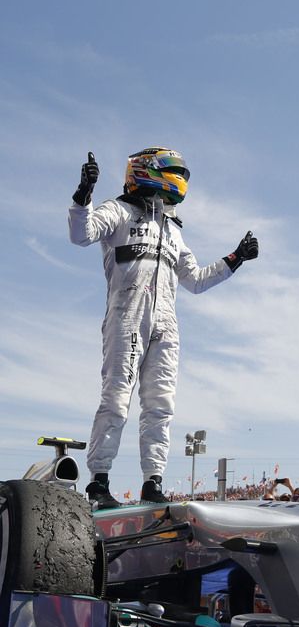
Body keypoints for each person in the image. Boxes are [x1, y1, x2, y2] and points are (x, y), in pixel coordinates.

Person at [68, 148, 259, 509]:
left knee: (161, 406)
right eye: (172, 171)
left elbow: (196, 280)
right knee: (116, 400)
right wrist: (83, 195)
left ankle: (152, 482)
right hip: (127, 315)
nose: (179, 178)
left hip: (167, 323)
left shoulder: (173, 230)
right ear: (147, 170)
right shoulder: (119, 211)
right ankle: (99, 481)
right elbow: (82, 234)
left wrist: (235, 259)